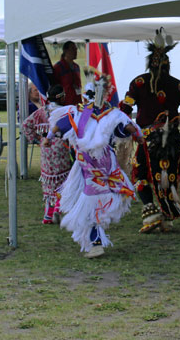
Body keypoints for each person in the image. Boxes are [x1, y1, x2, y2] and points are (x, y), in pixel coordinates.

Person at [44, 68, 143, 258]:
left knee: (92, 203)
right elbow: (127, 127)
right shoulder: (108, 114)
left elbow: (59, 126)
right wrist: (137, 135)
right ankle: (96, 238)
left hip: (92, 165)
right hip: (99, 165)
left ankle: (95, 240)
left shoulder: (85, 113)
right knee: (99, 199)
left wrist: (49, 137)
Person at [120, 29, 180, 234]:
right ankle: (162, 215)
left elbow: (124, 110)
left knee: (149, 173)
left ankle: (156, 213)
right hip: (162, 139)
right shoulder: (175, 85)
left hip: (159, 139)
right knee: (161, 174)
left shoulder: (140, 83)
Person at [22, 84, 71, 224]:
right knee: (63, 181)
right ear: (60, 97)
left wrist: (37, 139)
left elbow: (26, 125)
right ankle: (57, 209)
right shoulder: (65, 111)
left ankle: (48, 216)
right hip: (61, 147)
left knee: (49, 181)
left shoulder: (42, 111)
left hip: (46, 149)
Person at [53, 41, 82, 106]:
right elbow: (55, 88)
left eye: (76, 49)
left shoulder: (76, 67)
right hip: (65, 105)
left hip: (77, 103)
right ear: (65, 51)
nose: (75, 51)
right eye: (73, 49)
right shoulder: (58, 67)